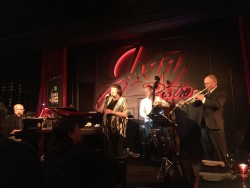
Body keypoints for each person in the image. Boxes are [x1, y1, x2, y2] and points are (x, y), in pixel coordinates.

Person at [42, 117, 115, 188]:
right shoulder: (82, 152)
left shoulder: (49, 154)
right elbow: (106, 166)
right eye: (78, 130)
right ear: (71, 134)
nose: (81, 132)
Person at [0, 103, 42, 188]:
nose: (23, 110)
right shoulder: (11, 119)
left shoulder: (21, 118)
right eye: (21, 109)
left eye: (23, 109)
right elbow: (11, 132)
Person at [192, 74, 228, 161]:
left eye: (207, 83)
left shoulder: (221, 93)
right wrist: (195, 96)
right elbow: (195, 105)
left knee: (220, 149)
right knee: (207, 149)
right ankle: (210, 168)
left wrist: (203, 99)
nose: (205, 86)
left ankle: (224, 167)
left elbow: (217, 105)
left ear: (214, 82)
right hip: (204, 125)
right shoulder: (205, 94)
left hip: (215, 125)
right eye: (205, 84)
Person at [98, 84, 131, 159]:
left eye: (114, 89)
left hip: (118, 129)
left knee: (118, 150)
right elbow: (100, 110)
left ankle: (119, 166)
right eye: (111, 90)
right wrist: (105, 100)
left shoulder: (122, 100)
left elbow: (125, 114)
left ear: (118, 91)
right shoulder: (108, 99)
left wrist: (112, 112)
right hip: (108, 128)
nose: (111, 91)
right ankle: (111, 167)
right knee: (109, 151)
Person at [139, 84, 170, 161]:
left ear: (152, 90)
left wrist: (160, 103)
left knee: (160, 138)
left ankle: (160, 155)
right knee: (149, 138)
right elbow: (141, 113)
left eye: (147, 91)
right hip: (148, 122)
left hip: (158, 122)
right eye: (145, 91)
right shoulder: (143, 101)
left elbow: (168, 105)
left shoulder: (158, 98)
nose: (145, 93)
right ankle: (150, 157)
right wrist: (148, 116)